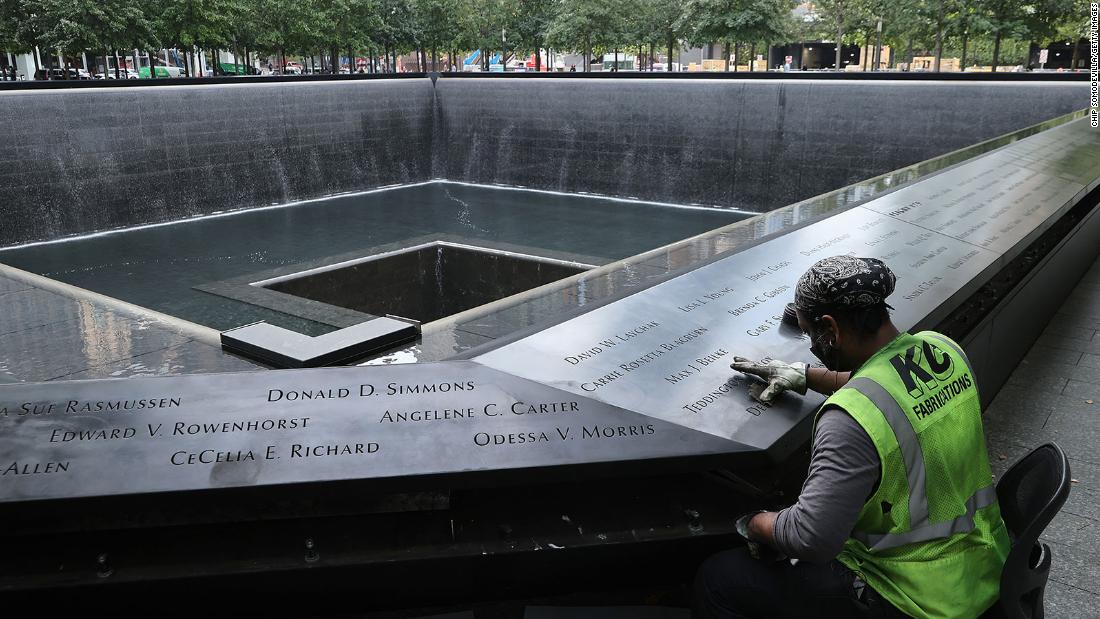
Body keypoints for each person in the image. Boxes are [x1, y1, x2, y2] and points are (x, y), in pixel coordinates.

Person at [695, 255, 1009, 618]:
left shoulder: (849, 421)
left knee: (718, 579)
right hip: (984, 564)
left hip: (914, 595)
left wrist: (753, 522)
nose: (813, 342)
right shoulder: (941, 348)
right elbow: (888, 380)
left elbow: (810, 538)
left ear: (831, 328)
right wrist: (805, 375)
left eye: (811, 333)